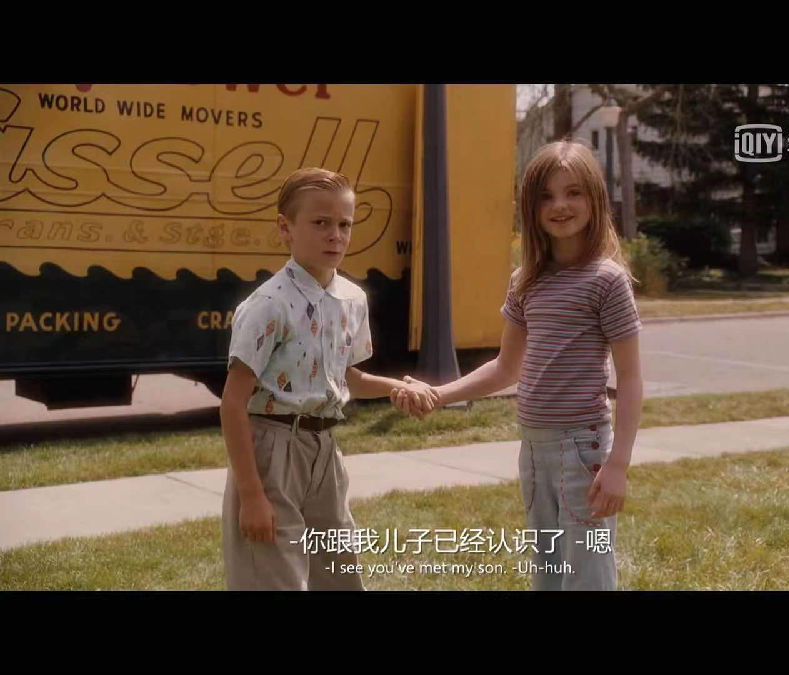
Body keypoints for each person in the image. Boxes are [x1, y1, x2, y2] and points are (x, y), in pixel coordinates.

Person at [393, 141, 643, 591]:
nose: (560, 205)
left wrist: (618, 465)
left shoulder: (607, 281)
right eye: (546, 196)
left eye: (573, 192)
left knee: (587, 575)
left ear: (595, 198)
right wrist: (438, 394)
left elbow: (630, 379)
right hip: (533, 448)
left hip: (583, 450)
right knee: (549, 571)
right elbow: (505, 368)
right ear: (530, 206)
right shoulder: (525, 280)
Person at [220, 167, 437, 591]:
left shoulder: (352, 300)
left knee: (339, 573)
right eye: (320, 223)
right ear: (285, 228)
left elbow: (345, 377)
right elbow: (232, 403)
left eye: (344, 224)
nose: (335, 235)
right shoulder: (268, 305)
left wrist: (398, 386)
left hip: (325, 451)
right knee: (273, 578)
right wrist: (251, 494)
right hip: (271, 452)